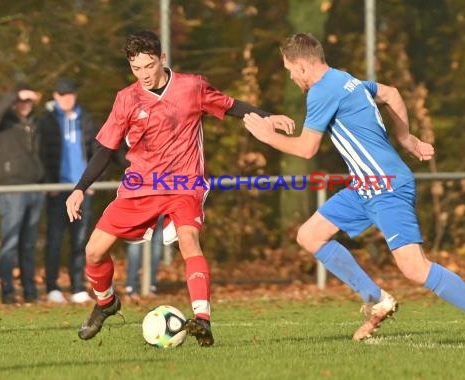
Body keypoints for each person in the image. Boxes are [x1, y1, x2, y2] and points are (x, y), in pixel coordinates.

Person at [243, 33, 465, 346]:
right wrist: (406, 138)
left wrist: (265, 136)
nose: (290, 76)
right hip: (365, 186)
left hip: (386, 185)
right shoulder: (347, 80)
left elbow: (306, 149)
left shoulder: (321, 92)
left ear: (302, 66)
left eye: (290, 69)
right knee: (310, 235)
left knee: (414, 267)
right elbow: (391, 93)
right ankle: (377, 299)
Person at [65, 30, 294, 346]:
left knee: (189, 241)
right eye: (137, 68)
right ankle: (106, 303)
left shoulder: (191, 87)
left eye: (149, 66)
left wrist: (269, 117)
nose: (144, 74)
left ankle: (202, 320)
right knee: (93, 251)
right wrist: (79, 188)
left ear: (162, 59)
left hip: (185, 184)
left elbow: (231, 106)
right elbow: (105, 149)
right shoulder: (126, 99)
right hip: (141, 185)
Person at [38, 78, 98, 304]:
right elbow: (41, 153)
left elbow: (97, 152)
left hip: (81, 190)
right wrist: (48, 183)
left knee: (80, 241)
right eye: (62, 95)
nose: (67, 98)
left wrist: (90, 182)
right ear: (55, 96)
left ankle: (77, 287)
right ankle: (52, 286)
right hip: (58, 190)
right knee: (54, 240)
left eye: (70, 94)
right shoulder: (47, 121)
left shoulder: (87, 120)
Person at [0, 84, 45, 304]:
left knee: (29, 244)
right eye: (21, 101)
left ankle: (30, 291)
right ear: (14, 102)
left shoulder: (37, 123)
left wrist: (45, 181)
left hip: (36, 189)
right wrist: (15, 94)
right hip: (12, 189)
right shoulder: (4, 123)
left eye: (28, 101)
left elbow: (46, 154)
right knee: (10, 243)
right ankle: (8, 292)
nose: (25, 105)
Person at [125, 214, 165, 299]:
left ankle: (140, 287)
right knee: (138, 243)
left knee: (153, 245)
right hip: (142, 206)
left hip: (154, 206)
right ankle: (133, 287)